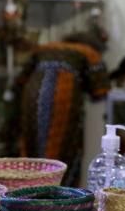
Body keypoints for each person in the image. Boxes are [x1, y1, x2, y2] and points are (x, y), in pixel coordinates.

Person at [13, 32, 110, 186]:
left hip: (32, 95)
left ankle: (31, 190)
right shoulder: (89, 52)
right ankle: (59, 191)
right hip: (64, 97)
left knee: (32, 147)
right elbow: (100, 91)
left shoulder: (44, 48)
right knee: (63, 148)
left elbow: (20, 80)